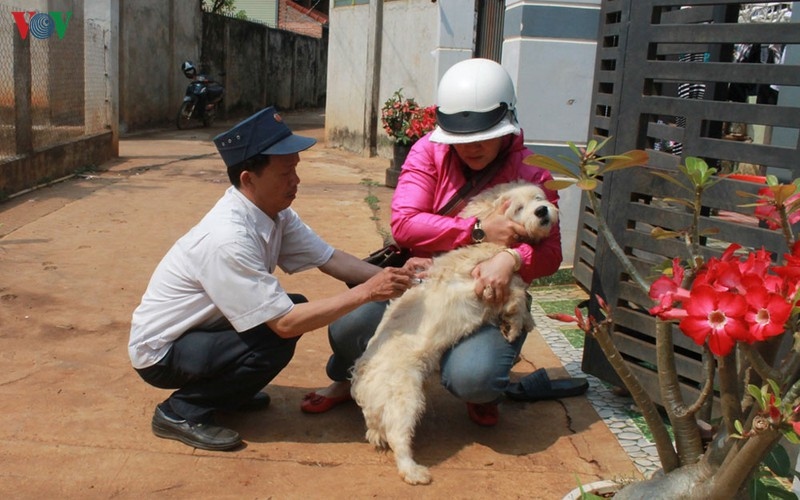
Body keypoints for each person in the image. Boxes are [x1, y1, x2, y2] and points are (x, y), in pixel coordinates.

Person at [302, 58, 588, 426]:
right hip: (422, 282)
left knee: (474, 378)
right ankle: (346, 377)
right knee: (348, 327)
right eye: (461, 139)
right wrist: (477, 231)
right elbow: (405, 225)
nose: (471, 147)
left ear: (507, 124)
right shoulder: (429, 151)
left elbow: (550, 255)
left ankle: (481, 385)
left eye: (483, 136)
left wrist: (511, 259)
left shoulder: (532, 173)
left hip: (487, 296)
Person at [128, 107, 425, 451]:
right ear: (248, 179)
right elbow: (284, 325)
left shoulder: (276, 213)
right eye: (285, 172)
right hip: (164, 352)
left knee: (293, 308)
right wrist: (366, 294)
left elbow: (331, 259)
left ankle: (226, 394)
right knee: (279, 334)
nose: (295, 180)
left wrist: (400, 279)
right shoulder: (227, 238)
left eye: (296, 169)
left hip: (204, 331)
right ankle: (181, 411)